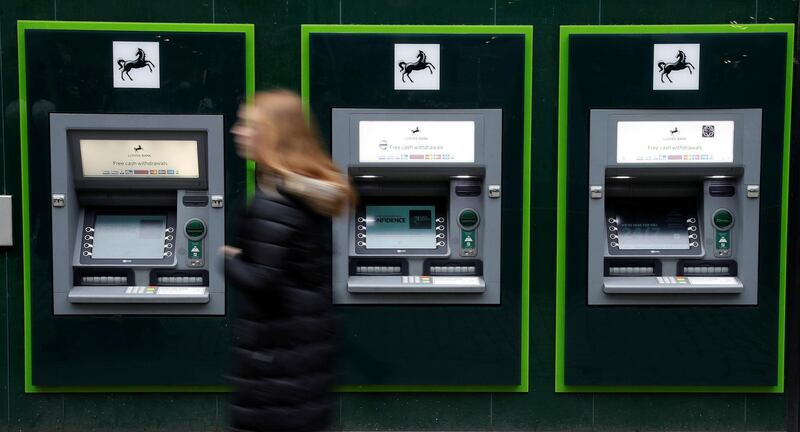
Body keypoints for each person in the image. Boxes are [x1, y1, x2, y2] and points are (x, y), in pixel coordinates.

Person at [223, 90, 355, 432]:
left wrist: (229, 259)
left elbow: (262, 280)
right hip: (306, 352)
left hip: (275, 363)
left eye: (249, 125)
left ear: (272, 135)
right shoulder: (307, 192)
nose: (238, 131)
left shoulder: (274, 200)